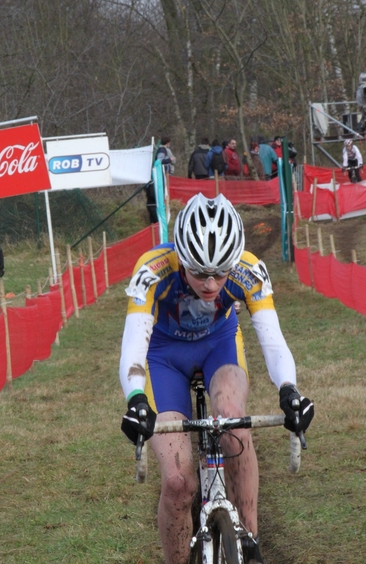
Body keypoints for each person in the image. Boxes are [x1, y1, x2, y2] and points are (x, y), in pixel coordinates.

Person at [120, 193, 314, 564]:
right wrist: (135, 399)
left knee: (234, 425)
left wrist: (290, 390)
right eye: (198, 273)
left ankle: (250, 543)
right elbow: (133, 347)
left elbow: (272, 341)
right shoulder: (154, 268)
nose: (211, 284)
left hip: (219, 347)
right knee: (178, 484)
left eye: (220, 273)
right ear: (181, 259)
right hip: (163, 358)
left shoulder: (249, 269)